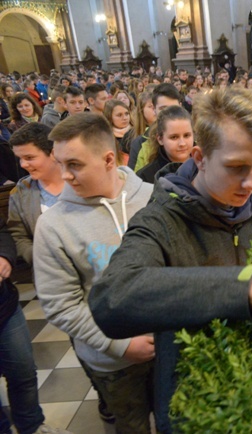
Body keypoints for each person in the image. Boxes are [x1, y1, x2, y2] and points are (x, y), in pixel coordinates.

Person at [88, 87, 252, 434]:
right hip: (192, 403)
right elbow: (111, 299)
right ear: (199, 158)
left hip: (250, 389)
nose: (251, 182)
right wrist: (246, 287)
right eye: (236, 167)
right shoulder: (159, 220)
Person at [33, 113, 155, 434]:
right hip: (112, 363)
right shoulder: (54, 224)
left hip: (169, 347)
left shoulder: (153, 198)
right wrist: (120, 345)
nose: (65, 175)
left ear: (109, 159)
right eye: (59, 163)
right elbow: (62, 305)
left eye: (74, 164)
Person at [0, 218, 72, 434]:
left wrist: (3, 256)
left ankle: (31, 426)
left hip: (4, 308)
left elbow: (2, 232)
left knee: (23, 372)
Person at [7, 123, 64, 265]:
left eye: (29, 158)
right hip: (48, 270)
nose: (23, 164)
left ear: (53, 153)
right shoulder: (21, 192)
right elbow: (18, 235)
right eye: (19, 158)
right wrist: (38, 257)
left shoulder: (80, 182)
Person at [137, 105, 193, 183]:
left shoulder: (205, 166)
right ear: (160, 139)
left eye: (187, 135)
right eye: (174, 137)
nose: (182, 143)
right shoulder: (145, 177)